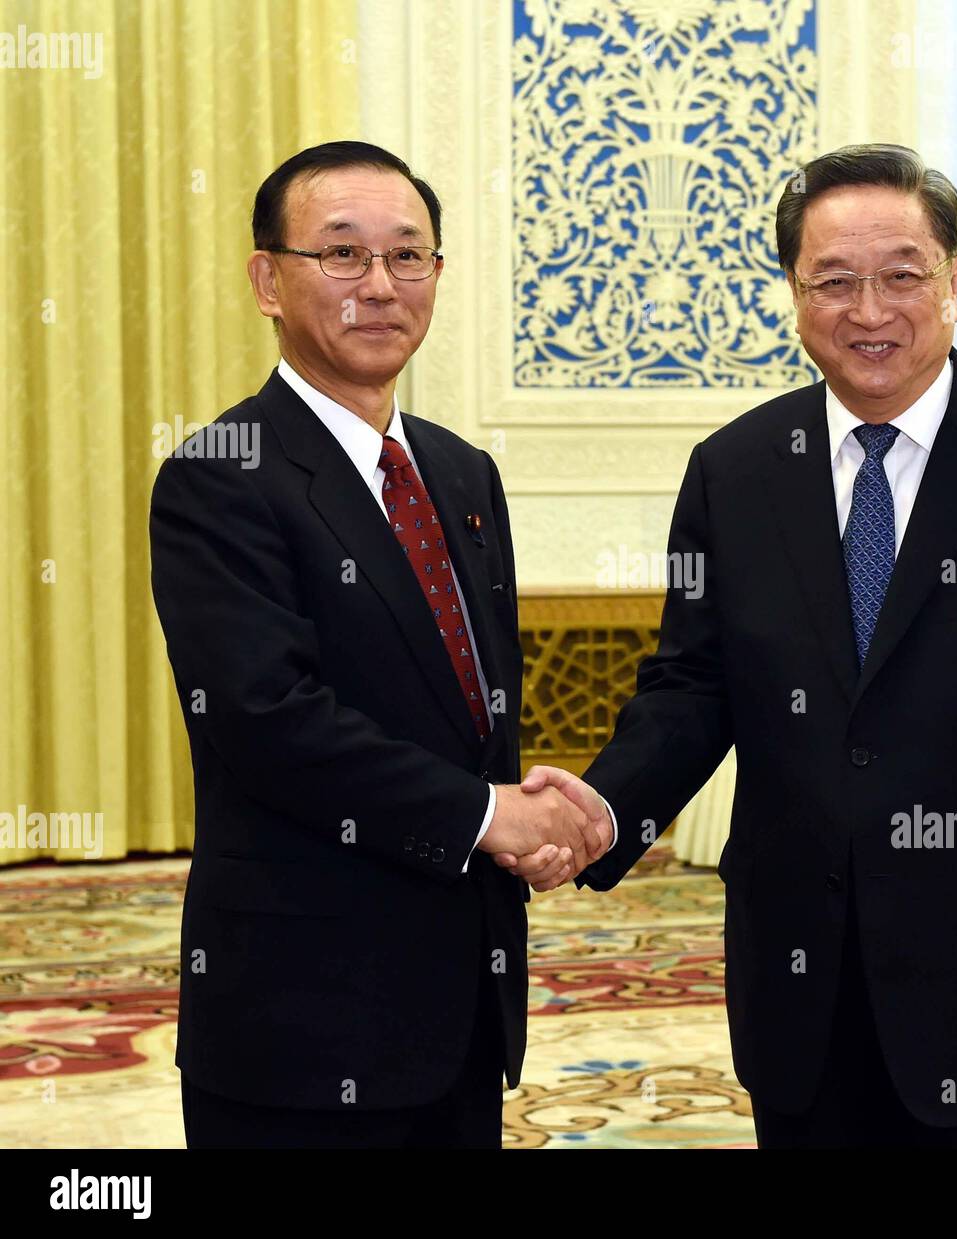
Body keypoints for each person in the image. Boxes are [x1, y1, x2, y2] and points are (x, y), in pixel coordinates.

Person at [500, 143, 957, 1148]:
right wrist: (601, 810)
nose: (870, 312)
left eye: (903, 276)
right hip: (797, 978)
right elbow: (692, 686)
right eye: (834, 282)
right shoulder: (734, 470)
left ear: (955, 279)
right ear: (793, 294)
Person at [150, 141, 609, 1148]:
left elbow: (473, 711)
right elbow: (269, 721)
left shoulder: (460, 472)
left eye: (409, 257)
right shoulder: (221, 475)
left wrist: (523, 810)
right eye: (342, 255)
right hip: (304, 1013)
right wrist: (488, 816)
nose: (380, 286)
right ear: (268, 279)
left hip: (463, 999)